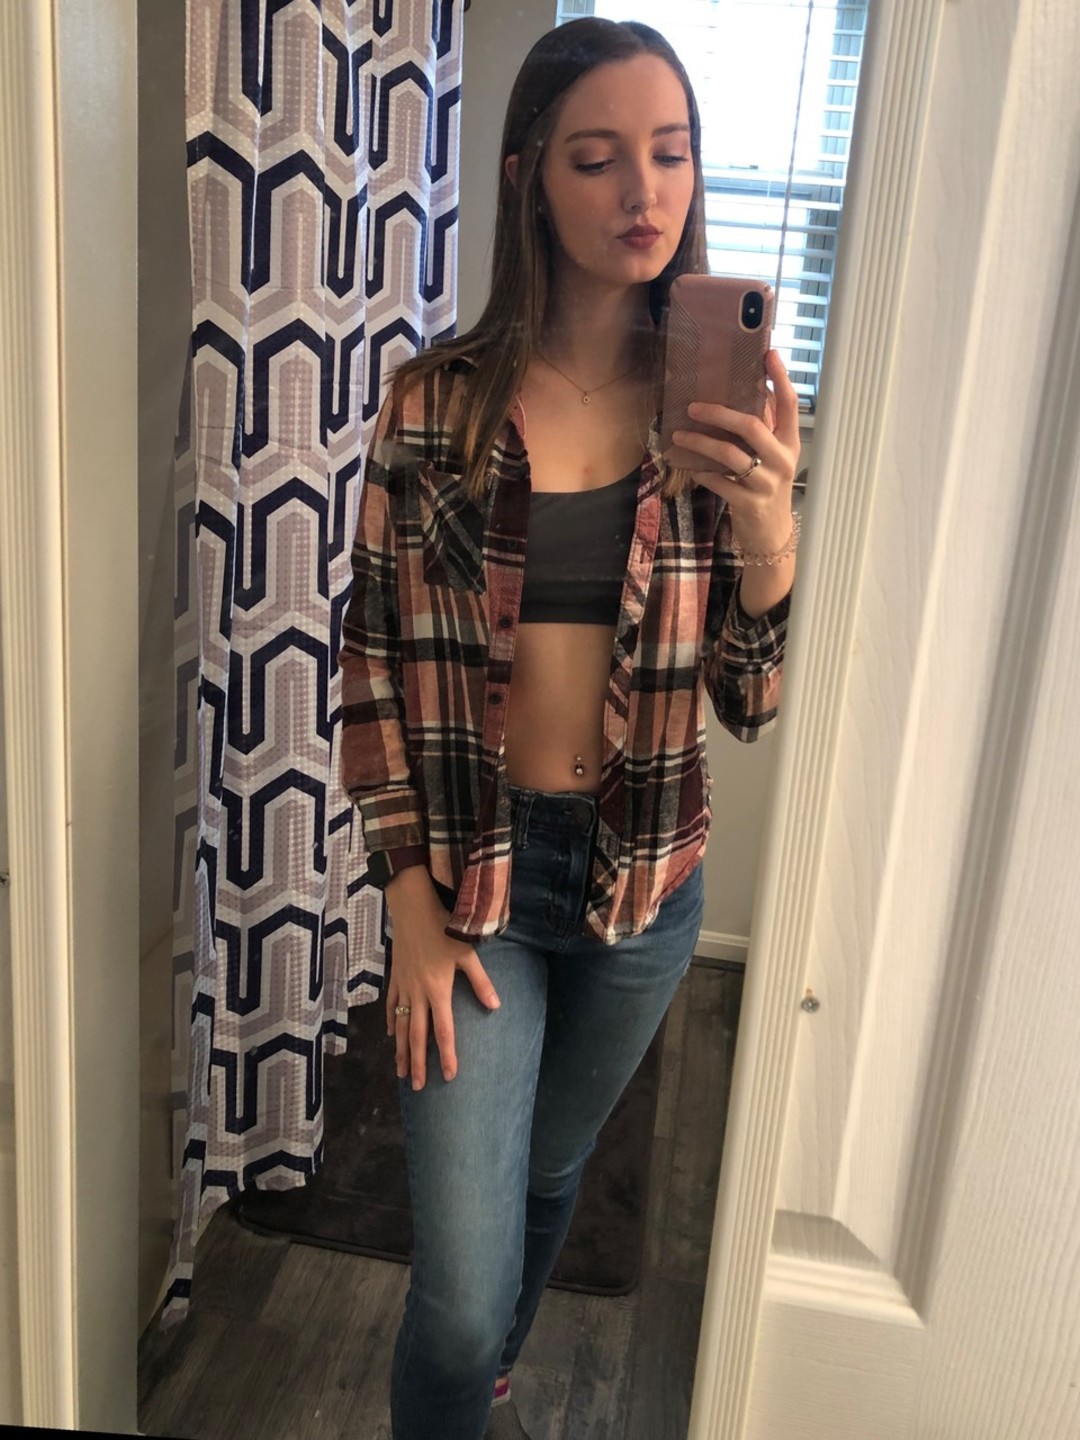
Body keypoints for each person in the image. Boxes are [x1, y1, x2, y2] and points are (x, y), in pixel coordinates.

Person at [339, 17, 799, 1440]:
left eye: (671, 154)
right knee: (460, 1284)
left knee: (548, 1179)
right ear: (532, 177)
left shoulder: (713, 414)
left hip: (644, 887)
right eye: (598, 160)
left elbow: (749, 702)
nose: (642, 192)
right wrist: (409, 907)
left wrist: (772, 538)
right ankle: (471, 1377)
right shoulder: (435, 407)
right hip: (472, 886)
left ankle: (486, 1397)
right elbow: (370, 665)